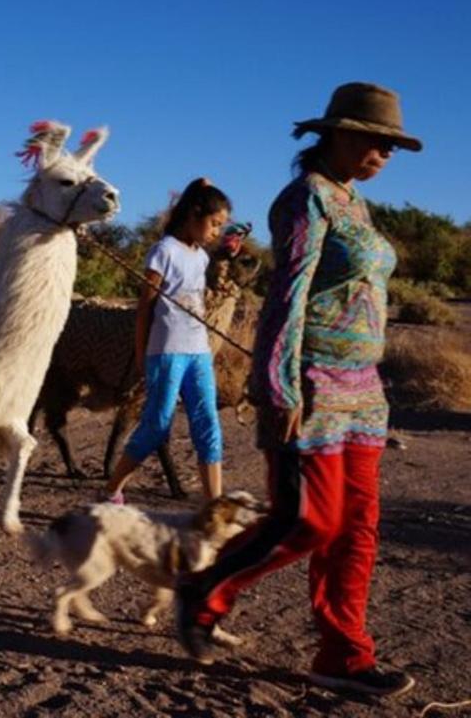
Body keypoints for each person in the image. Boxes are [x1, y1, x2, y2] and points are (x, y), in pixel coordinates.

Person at [175, 83, 422, 698]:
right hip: (308, 381)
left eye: (390, 146)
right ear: (335, 133)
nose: (383, 154)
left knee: (359, 527)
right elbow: (288, 294)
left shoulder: (355, 202)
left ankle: (343, 654)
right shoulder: (305, 199)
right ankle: (205, 592)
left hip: (363, 390)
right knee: (309, 521)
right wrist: (279, 386)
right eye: (374, 140)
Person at [103, 178, 231, 504]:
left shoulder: (201, 257)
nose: (216, 231)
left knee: (208, 424)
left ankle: (214, 504)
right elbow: (145, 308)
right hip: (166, 352)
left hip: (198, 351)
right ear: (193, 214)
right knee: (157, 425)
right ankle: (112, 489)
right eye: (214, 223)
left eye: (221, 226)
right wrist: (142, 354)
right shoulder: (163, 251)